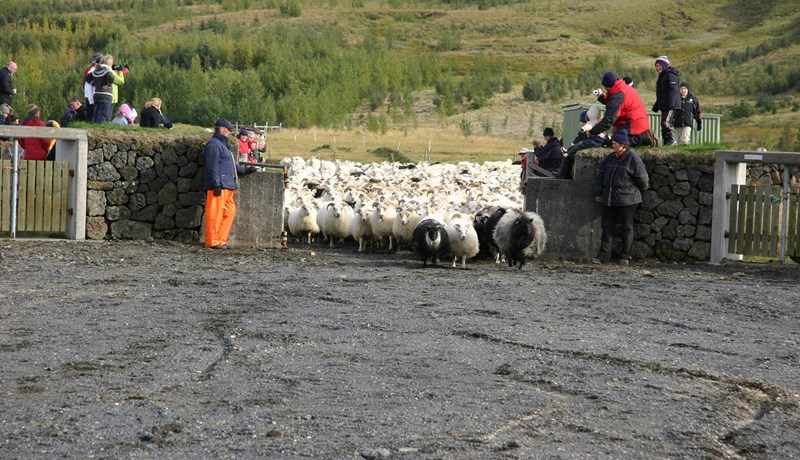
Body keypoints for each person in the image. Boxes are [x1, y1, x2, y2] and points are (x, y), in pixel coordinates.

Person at [593, 129, 649, 265]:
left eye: (615, 143)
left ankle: (625, 256)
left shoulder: (633, 159)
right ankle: (604, 256)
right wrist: (600, 192)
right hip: (609, 198)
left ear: (623, 145)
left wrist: (638, 192)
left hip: (627, 200)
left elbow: (642, 179)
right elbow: (600, 176)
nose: (613, 145)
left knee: (627, 227)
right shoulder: (610, 158)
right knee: (607, 227)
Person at [204, 118, 255, 249]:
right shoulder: (214, 144)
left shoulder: (221, 145)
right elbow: (212, 166)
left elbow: (230, 166)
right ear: (221, 129)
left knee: (229, 212)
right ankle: (212, 241)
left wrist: (245, 170)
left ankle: (220, 239)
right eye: (228, 130)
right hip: (220, 185)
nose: (230, 132)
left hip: (227, 185)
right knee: (214, 215)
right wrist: (216, 184)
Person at [590, 70, 652, 147]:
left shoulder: (617, 96)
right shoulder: (623, 88)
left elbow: (608, 121)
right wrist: (602, 97)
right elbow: (616, 105)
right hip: (639, 124)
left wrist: (592, 132)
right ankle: (645, 138)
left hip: (633, 128)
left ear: (607, 86)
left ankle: (643, 140)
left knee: (613, 145)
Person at [559, 107, 607, 179]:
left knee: (569, 155)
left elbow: (579, 143)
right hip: (598, 140)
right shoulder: (599, 122)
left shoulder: (592, 123)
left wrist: (568, 151)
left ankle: (563, 175)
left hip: (595, 141)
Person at [652, 56, 681, 146]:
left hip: (670, 105)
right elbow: (661, 93)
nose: (657, 68)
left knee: (666, 123)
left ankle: (672, 140)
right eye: (656, 66)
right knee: (663, 124)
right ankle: (667, 142)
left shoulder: (670, 75)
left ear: (664, 65)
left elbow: (673, 90)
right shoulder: (662, 76)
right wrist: (656, 106)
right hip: (665, 105)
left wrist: (671, 104)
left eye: (659, 65)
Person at [85, 55, 117, 123]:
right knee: (104, 114)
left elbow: (87, 77)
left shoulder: (96, 70)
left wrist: (94, 83)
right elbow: (111, 77)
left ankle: (94, 126)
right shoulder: (107, 70)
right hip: (105, 95)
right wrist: (109, 84)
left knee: (96, 114)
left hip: (97, 95)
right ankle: (101, 127)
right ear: (110, 64)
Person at [83, 53, 103, 119]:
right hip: (96, 92)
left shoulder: (88, 69)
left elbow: (84, 82)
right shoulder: (98, 68)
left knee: (90, 111)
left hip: (88, 93)